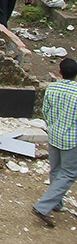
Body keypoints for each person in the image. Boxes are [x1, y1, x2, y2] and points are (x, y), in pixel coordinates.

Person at [33, 57, 77, 228]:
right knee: (69, 173)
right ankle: (43, 206)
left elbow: (46, 111)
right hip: (71, 138)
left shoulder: (52, 88)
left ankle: (56, 203)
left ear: (60, 72)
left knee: (56, 170)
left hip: (54, 134)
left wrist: (52, 126)